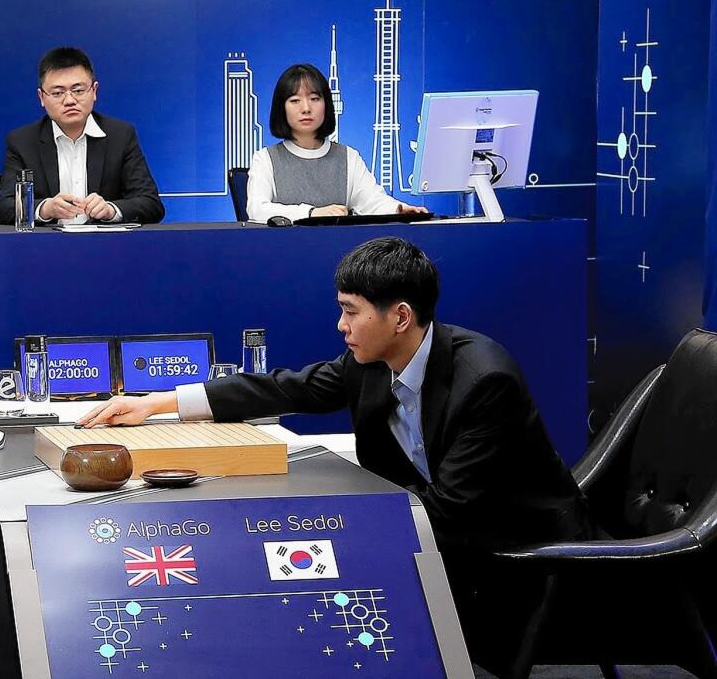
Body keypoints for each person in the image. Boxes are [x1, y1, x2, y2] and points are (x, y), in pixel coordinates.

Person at [78, 237, 591, 606]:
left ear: (401, 317)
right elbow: (283, 387)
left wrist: (337, 526)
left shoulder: (483, 381)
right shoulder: (368, 362)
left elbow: (454, 510)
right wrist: (156, 403)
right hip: (446, 528)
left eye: (350, 311)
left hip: (517, 545)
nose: (340, 326)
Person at [0, 46, 165, 225]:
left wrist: (111, 210)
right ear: (41, 97)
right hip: (45, 248)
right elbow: (4, 208)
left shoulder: (120, 136)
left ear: (94, 91)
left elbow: (151, 204)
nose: (69, 100)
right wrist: (45, 208)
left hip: (107, 247)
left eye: (78, 90)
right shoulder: (22, 141)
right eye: (58, 93)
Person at [246, 63, 426, 222]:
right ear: (281, 108)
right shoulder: (265, 159)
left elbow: (371, 201)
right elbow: (257, 209)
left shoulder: (348, 157)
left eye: (314, 99)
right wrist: (311, 213)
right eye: (295, 101)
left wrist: (398, 210)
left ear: (327, 105)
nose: (306, 108)